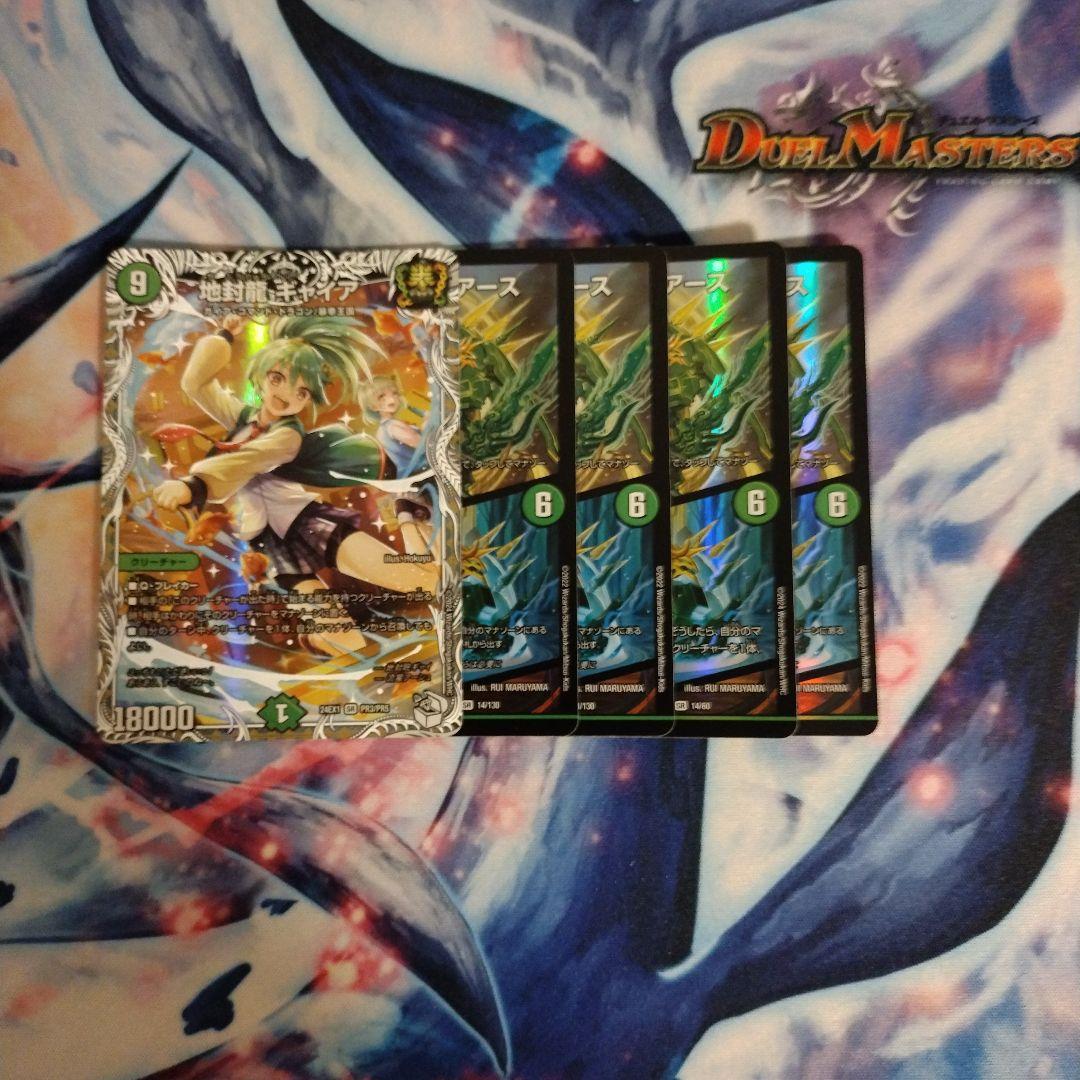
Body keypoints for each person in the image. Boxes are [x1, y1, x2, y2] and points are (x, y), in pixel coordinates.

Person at [152, 314, 437, 600]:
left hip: (306, 522)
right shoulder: (243, 418)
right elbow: (196, 384)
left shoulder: (288, 435)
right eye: (277, 378)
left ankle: (410, 520)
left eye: (301, 392)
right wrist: (223, 336)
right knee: (331, 625)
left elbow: (252, 457)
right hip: (268, 541)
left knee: (422, 583)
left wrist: (195, 486)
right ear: (261, 376)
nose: (286, 395)